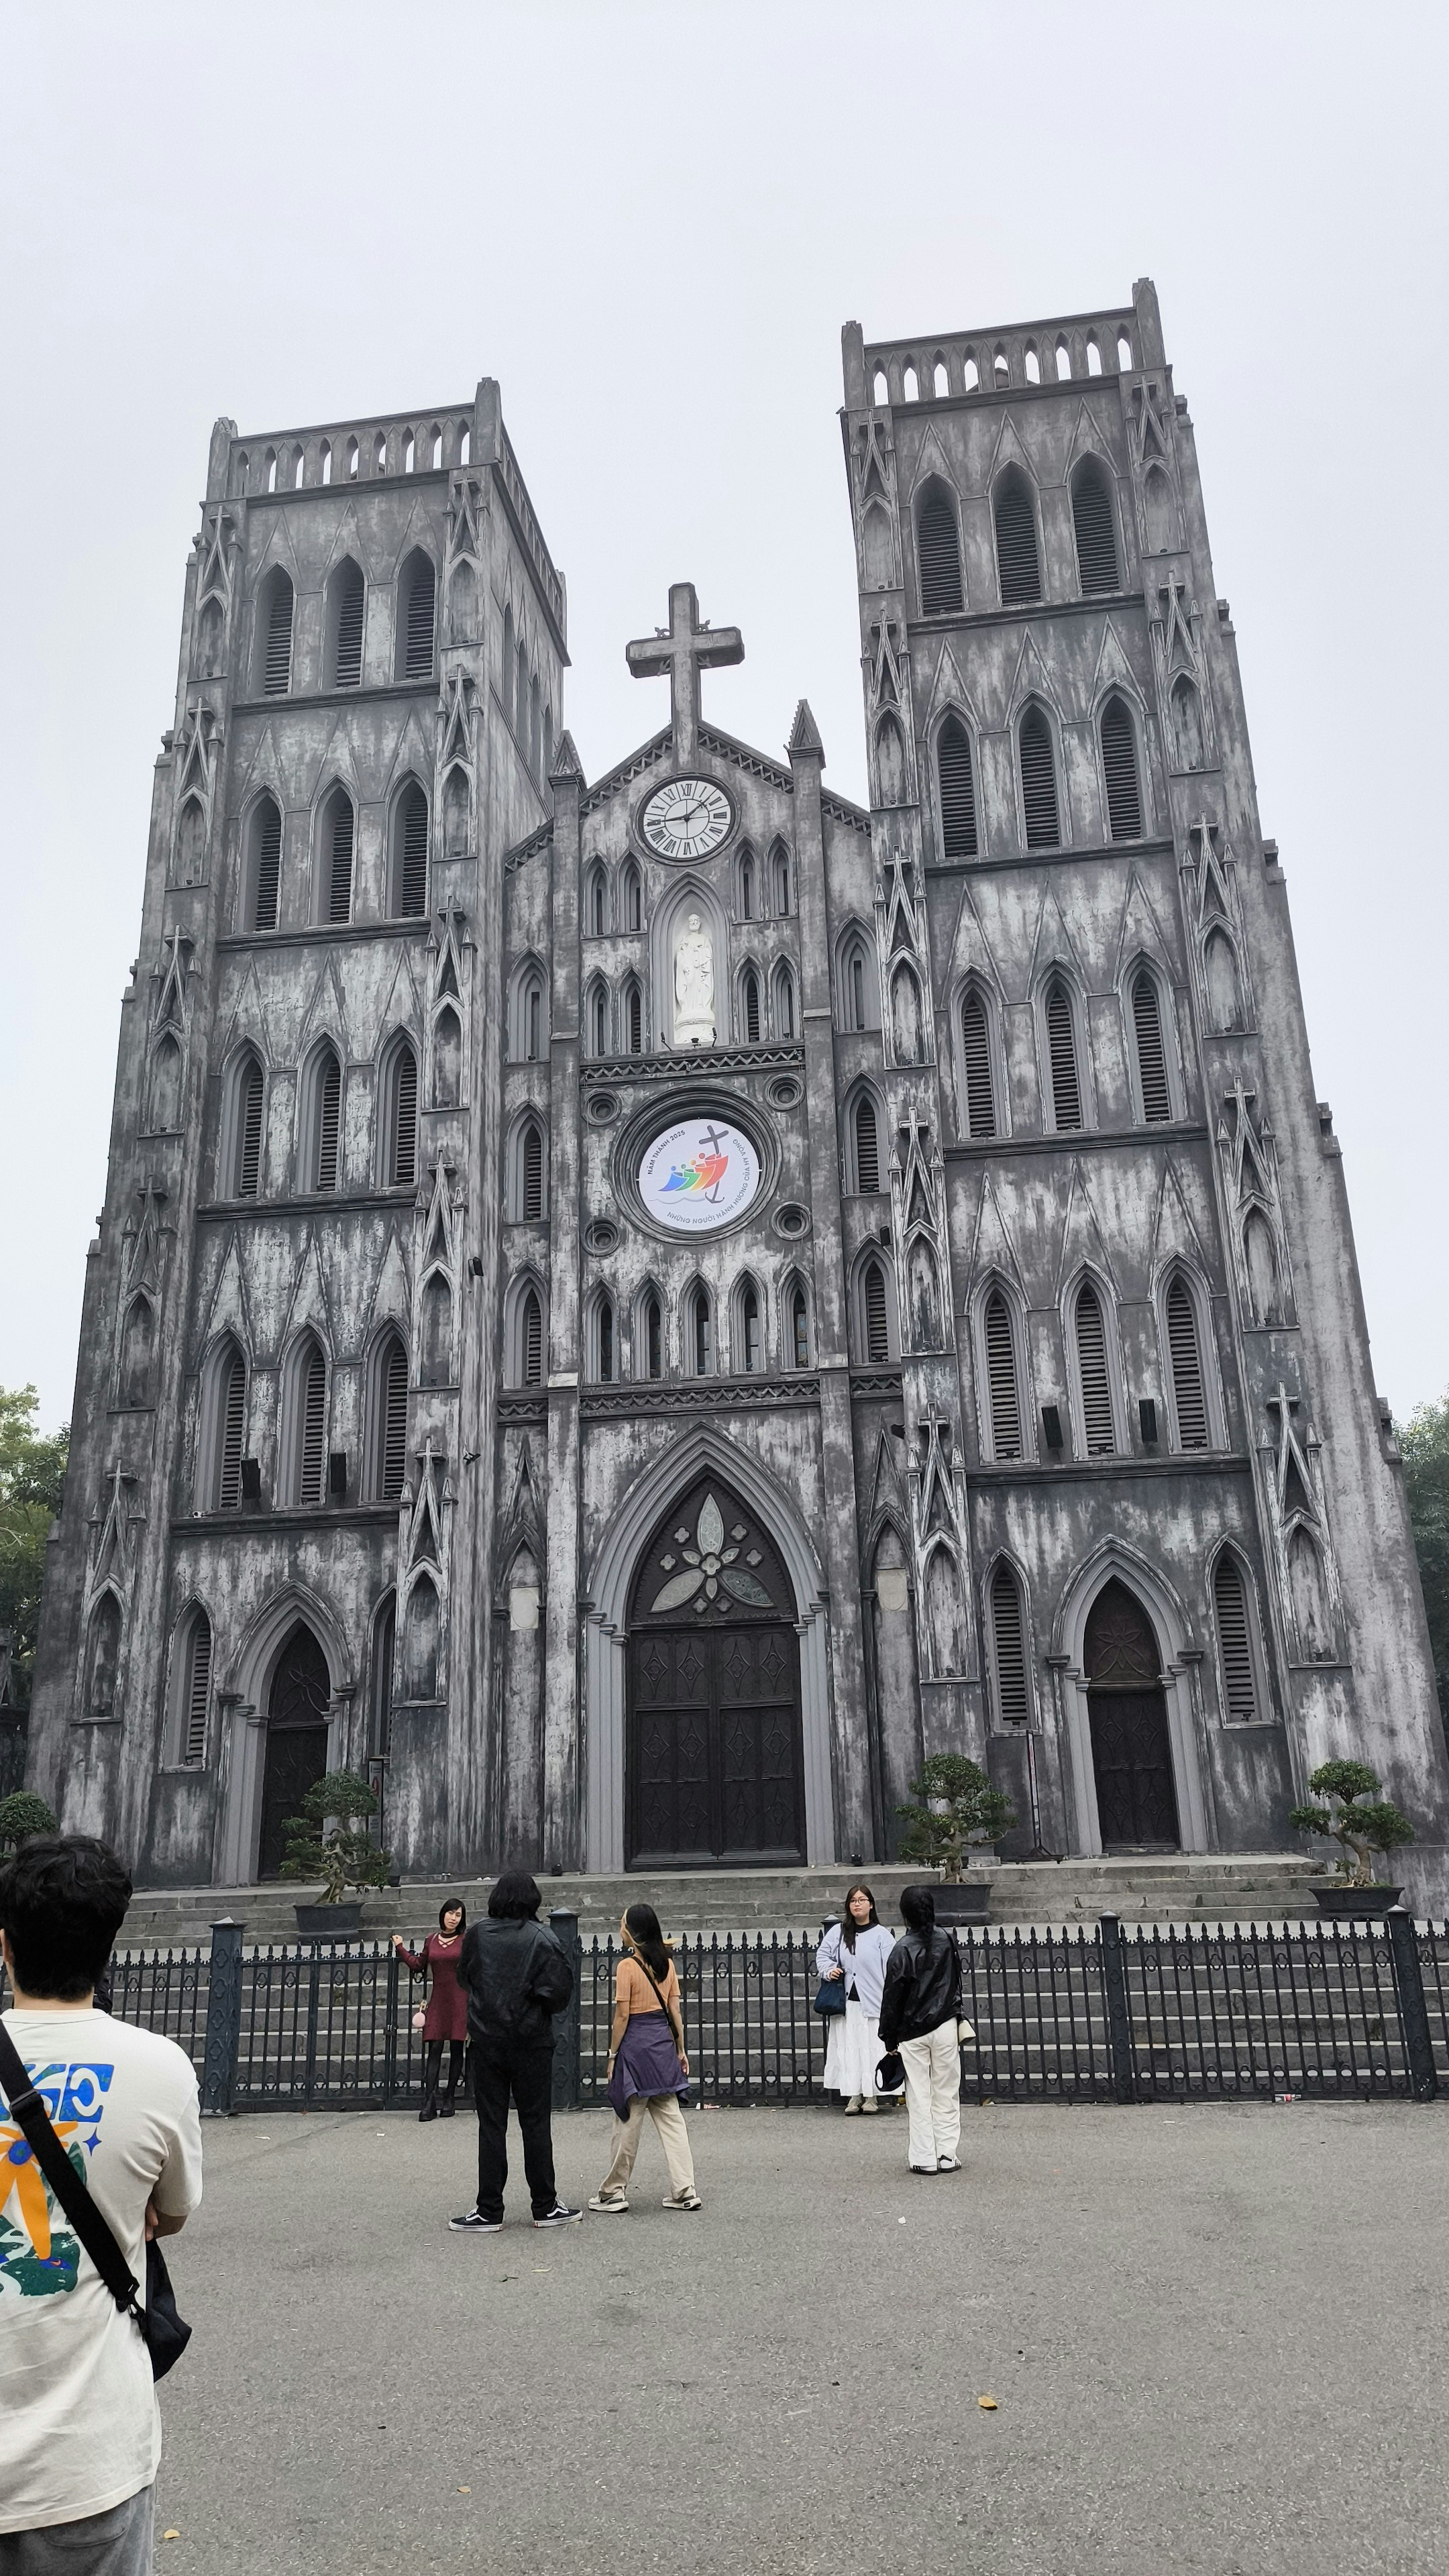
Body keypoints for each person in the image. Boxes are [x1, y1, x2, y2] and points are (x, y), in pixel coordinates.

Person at [0, 1835, 203, 2573]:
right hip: (86, 2458)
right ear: (110, 1945)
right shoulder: (160, 2070)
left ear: (4, 1945)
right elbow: (172, 2213)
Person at [449, 1870, 580, 2234]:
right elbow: (559, 1993)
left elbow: (465, 1977)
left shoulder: (476, 1934)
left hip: (488, 2040)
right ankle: (545, 2205)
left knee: (491, 2125)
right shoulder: (542, 1937)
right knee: (535, 2124)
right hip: (530, 2041)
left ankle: (489, 2209)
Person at [589, 1904, 700, 2214]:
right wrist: (680, 2048)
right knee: (672, 2120)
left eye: (623, 1922)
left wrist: (612, 2055)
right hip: (662, 2044)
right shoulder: (667, 1963)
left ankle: (614, 2191)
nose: (619, 1926)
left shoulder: (627, 1966)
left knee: (628, 2118)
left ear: (633, 1933)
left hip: (636, 2047)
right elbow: (675, 2011)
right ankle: (685, 2188)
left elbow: (622, 2015)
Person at [877, 1883, 963, 2176]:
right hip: (945, 2022)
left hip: (913, 2030)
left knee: (919, 2093)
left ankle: (924, 2156)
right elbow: (955, 1982)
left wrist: (888, 2035)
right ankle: (947, 2154)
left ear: (905, 1914)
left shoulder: (902, 1948)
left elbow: (893, 1996)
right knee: (947, 2090)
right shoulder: (946, 1940)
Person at [816, 1884, 900, 2114]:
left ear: (871, 1904)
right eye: (853, 1901)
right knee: (849, 2048)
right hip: (847, 2003)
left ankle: (872, 2096)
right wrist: (829, 1969)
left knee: (872, 2048)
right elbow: (822, 1956)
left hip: (873, 2001)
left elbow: (892, 1968)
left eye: (862, 1900)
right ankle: (854, 2096)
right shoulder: (839, 1932)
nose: (857, 1904)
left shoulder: (881, 1935)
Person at [392, 1900, 468, 2121]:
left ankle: (450, 2097)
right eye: (450, 1913)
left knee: (456, 2048)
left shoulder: (466, 1941)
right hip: (438, 2000)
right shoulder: (432, 1940)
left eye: (458, 1915)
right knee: (434, 2048)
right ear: (443, 1914)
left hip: (460, 1999)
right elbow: (418, 1965)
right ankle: (429, 2100)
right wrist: (400, 1947)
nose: (454, 1918)